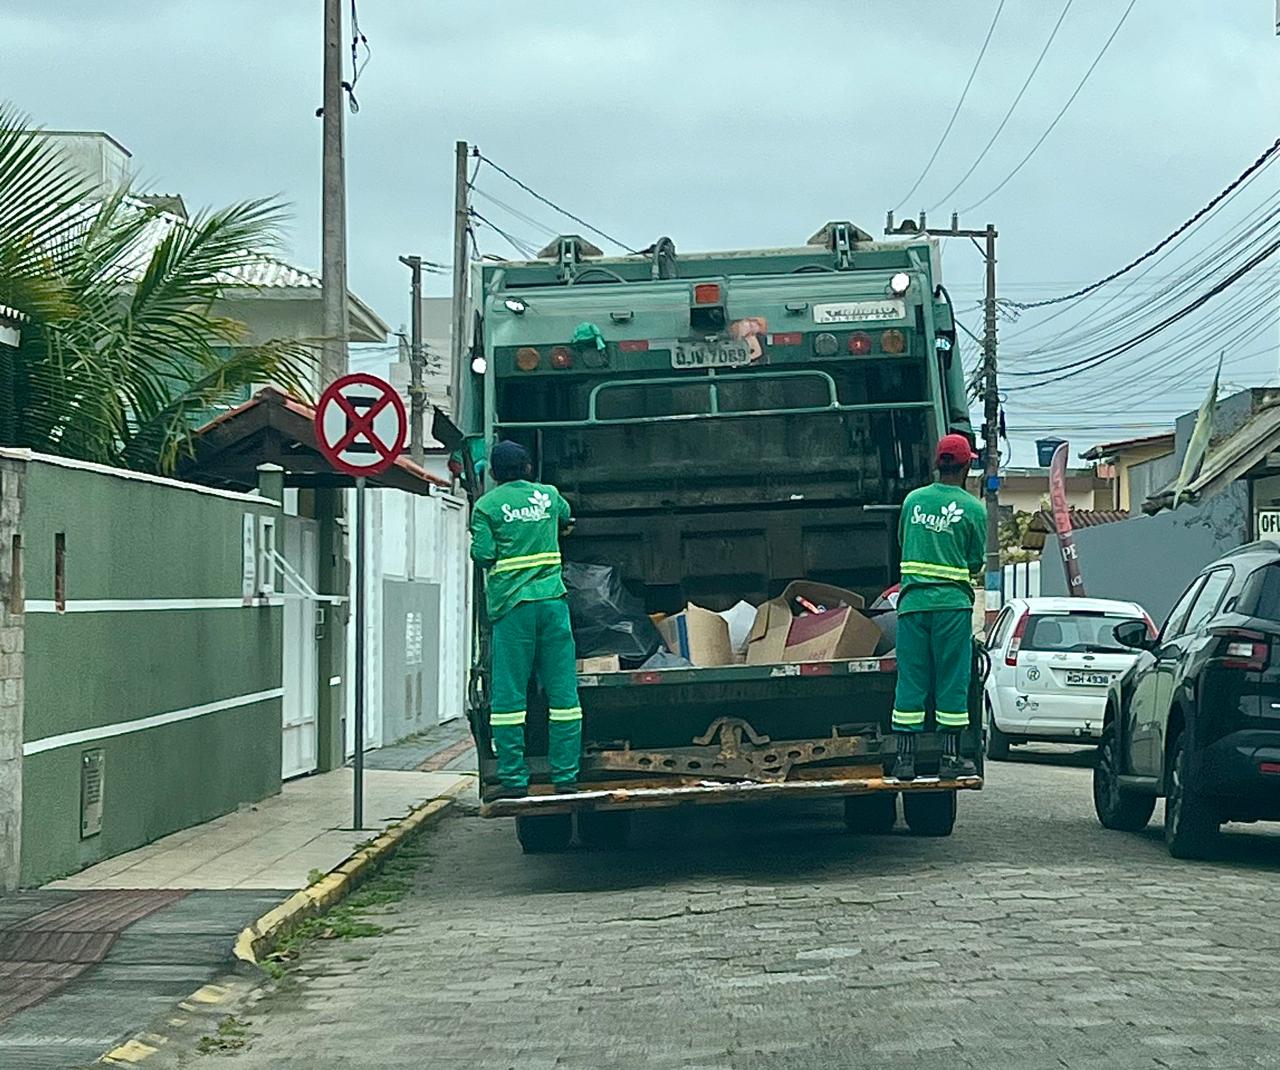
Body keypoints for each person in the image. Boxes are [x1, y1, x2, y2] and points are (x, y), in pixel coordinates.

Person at [470, 441, 582, 799]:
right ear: (529, 468)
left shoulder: (486, 507)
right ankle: (566, 777)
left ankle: (514, 780)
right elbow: (567, 518)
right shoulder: (549, 496)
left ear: (494, 473)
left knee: (509, 697)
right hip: (552, 603)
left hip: (512, 609)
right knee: (564, 694)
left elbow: (484, 555)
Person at [891, 433, 987, 781]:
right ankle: (949, 759)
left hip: (913, 605)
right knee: (951, 678)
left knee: (912, 677)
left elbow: (904, 543)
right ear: (966, 466)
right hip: (952, 607)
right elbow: (975, 561)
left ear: (937, 464)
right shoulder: (974, 509)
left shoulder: (913, 502)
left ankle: (904, 760)